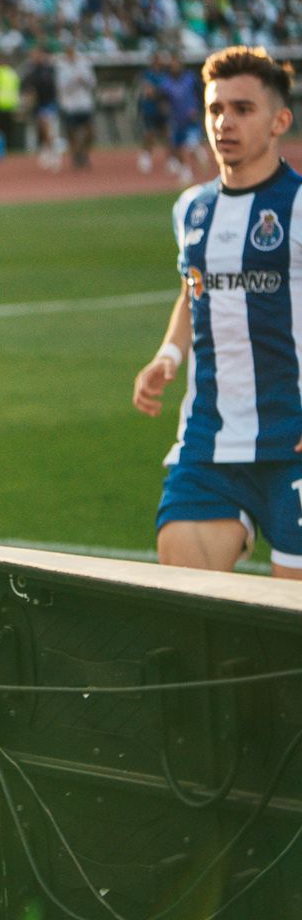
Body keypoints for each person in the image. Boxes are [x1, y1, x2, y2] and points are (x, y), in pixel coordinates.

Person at [133, 47, 302, 580]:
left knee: (290, 616)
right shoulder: (191, 207)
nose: (224, 122)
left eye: (243, 109)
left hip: (293, 439)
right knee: (186, 597)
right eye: (215, 109)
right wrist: (168, 354)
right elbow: (194, 289)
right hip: (209, 439)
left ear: (279, 121)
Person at [158, 57, 205, 184]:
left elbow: (200, 94)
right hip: (176, 119)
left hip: (191, 117)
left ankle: (198, 154)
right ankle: (186, 171)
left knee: (191, 144)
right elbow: (162, 99)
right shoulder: (166, 83)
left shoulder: (190, 78)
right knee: (177, 146)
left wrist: (198, 108)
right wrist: (164, 108)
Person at [55, 46, 97, 171]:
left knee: (90, 132)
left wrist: (83, 80)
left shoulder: (84, 64)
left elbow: (93, 83)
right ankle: (75, 156)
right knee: (71, 132)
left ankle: (83, 152)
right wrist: (73, 81)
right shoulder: (61, 66)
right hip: (70, 105)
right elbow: (60, 86)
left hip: (84, 103)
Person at [136, 53, 172, 174]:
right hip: (150, 109)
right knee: (149, 134)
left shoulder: (165, 75)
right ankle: (146, 156)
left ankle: (171, 159)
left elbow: (168, 91)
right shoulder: (147, 74)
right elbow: (149, 92)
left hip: (162, 110)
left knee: (167, 134)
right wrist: (161, 95)